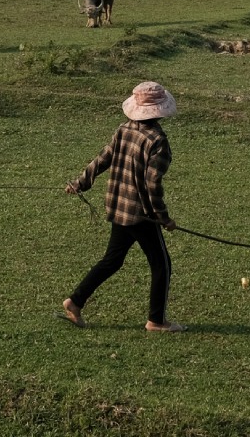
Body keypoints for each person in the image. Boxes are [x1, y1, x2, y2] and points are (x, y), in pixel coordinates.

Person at [62, 81, 184, 332]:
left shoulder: (125, 129)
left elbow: (102, 158)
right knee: (162, 265)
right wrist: (163, 217)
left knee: (112, 260)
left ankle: (75, 301)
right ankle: (157, 321)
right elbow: (152, 184)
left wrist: (80, 183)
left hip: (118, 207)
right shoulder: (158, 140)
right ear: (161, 110)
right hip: (141, 215)